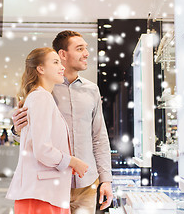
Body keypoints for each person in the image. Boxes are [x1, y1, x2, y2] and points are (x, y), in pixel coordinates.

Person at [12, 31, 113, 213]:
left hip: (87, 183)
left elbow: (99, 137)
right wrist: (16, 129)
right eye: (80, 48)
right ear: (62, 54)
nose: (86, 54)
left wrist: (106, 179)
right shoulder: (44, 89)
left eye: (86, 48)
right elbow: (30, 134)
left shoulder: (92, 90)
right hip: (53, 182)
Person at [6, 47, 89, 214]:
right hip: (42, 195)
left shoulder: (40, 97)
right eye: (56, 62)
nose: (62, 67)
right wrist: (73, 161)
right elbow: (43, 149)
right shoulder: (41, 97)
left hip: (43, 193)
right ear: (40, 68)